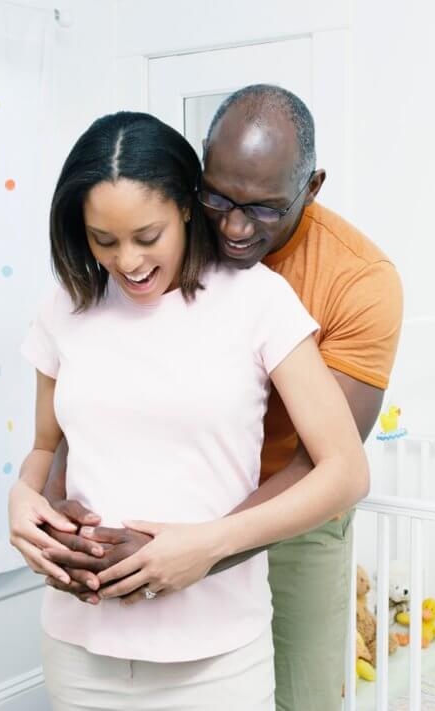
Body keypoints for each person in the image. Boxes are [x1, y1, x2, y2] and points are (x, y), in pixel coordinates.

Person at [25, 85, 405, 711]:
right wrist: (47, 511)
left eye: (260, 210)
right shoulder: (110, 279)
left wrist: (200, 547)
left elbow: (328, 464)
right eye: (218, 198)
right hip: (129, 585)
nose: (231, 227)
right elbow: (78, 423)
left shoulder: (352, 282)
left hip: (292, 501)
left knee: (307, 695)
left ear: (309, 191)